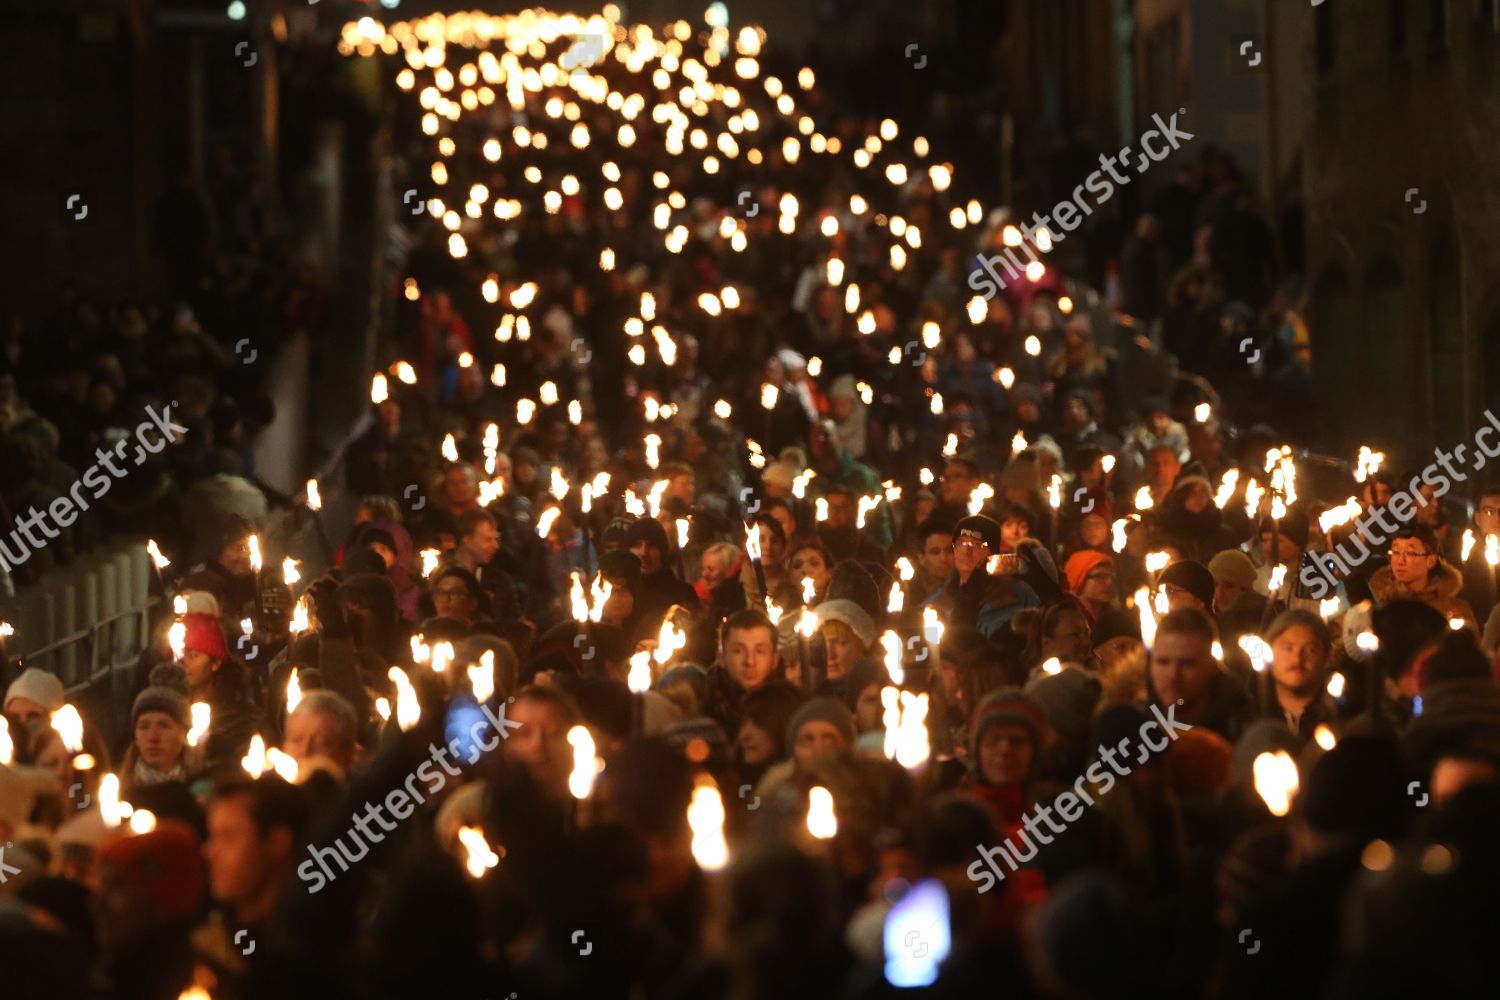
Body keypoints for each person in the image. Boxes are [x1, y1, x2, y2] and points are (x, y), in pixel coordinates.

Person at [202, 777, 312, 949]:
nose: (209, 852)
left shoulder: (306, 956)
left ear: (278, 843)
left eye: (228, 837)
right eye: (213, 836)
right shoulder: (209, 940)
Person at [921, 514, 1039, 639]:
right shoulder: (937, 603)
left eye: (977, 544)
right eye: (961, 543)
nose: (967, 551)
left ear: (992, 553)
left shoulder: (1018, 595)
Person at [1147, 607, 1251, 742]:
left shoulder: (1243, 732)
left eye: (1187, 664)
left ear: (1212, 666)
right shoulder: (1135, 728)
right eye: (1163, 662)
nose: (1173, 676)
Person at [1370, 525, 1478, 634]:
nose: (1400, 561)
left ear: (1431, 560)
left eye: (1410, 553)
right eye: (1396, 552)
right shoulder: (1378, 605)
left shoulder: (1454, 609)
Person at [1262, 609, 1340, 742]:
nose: (1297, 659)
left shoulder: (1340, 720)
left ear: (1326, 657)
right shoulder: (1249, 715)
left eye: (1310, 650)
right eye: (1288, 648)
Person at [701, 609, 782, 734]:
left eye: (760, 651)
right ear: (721, 658)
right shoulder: (705, 716)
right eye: (738, 651)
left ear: (774, 659)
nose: (750, 661)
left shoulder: (788, 713)